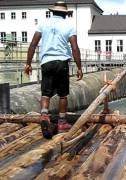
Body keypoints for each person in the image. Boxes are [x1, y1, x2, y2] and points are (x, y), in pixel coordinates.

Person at [24, 1, 83, 139]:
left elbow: (33, 44)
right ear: (65, 13)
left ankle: (44, 115)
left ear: (52, 11)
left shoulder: (43, 24)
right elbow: (75, 48)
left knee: (46, 93)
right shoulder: (69, 25)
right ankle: (62, 122)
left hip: (46, 62)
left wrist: (28, 63)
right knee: (63, 94)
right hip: (61, 62)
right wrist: (79, 67)